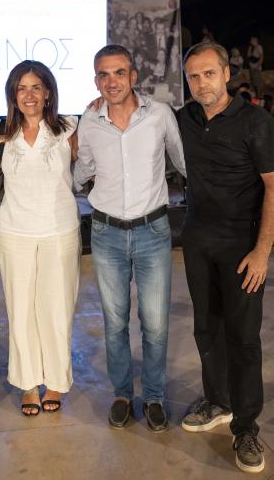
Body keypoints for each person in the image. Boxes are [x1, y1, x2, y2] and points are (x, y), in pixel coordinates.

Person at [74, 45, 186, 431]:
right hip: (106, 233)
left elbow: (183, 160)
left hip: (153, 231)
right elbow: (83, 168)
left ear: (133, 76)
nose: (112, 81)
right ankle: (122, 394)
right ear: (96, 81)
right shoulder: (89, 120)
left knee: (155, 324)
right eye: (103, 75)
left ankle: (153, 396)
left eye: (119, 72)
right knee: (114, 322)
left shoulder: (159, 115)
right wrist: (66, 183)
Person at [177, 41, 274, 473]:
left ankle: (247, 427)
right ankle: (218, 401)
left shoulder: (256, 121)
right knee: (207, 328)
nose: (201, 83)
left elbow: (273, 187)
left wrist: (262, 252)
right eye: (193, 76)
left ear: (227, 73)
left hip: (242, 247)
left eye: (209, 73)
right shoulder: (185, 118)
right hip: (198, 241)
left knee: (244, 338)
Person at [0, 60, 80, 417]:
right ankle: (27, 384)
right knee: (21, 310)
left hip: (60, 231)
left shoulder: (68, 128)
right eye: (21, 88)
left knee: (57, 310)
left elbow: (85, 169)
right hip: (14, 232)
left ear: (48, 92)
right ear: (12, 95)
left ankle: (54, 381)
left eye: (36, 87)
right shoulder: (0, 132)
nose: (29, 95)